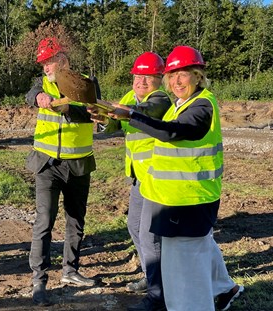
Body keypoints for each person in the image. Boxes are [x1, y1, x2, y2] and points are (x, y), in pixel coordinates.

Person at [107, 46, 244, 311]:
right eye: (172, 76)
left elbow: (175, 133)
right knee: (199, 252)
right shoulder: (181, 105)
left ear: (197, 75)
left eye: (183, 74)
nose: (176, 81)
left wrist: (132, 115)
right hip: (175, 198)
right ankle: (225, 288)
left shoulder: (202, 105)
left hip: (189, 201)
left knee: (184, 281)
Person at [88, 52, 171, 311]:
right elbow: (113, 127)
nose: (141, 82)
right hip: (138, 178)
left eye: (148, 77)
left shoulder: (160, 99)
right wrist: (102, 119)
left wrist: (120, 111)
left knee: (150, 237)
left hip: (156, 177)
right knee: (134, 227)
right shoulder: (128, 98)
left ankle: (159, 294)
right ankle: (151, 277)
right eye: (137, 76)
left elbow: (145, 112)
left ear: (160, 79)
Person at [25, 37, 97, 306]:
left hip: (78, 164)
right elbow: (30, 94)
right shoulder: (41, 84)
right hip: (47, 165)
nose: (45, 67)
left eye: (49, 61)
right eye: (42, 63)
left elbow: (91, 111)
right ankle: (39, 280)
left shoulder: (85, 83)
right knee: (44, 221)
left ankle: (70, 271)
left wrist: (68, 108)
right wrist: (39, 97)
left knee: (75, 220)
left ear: (63, 60)